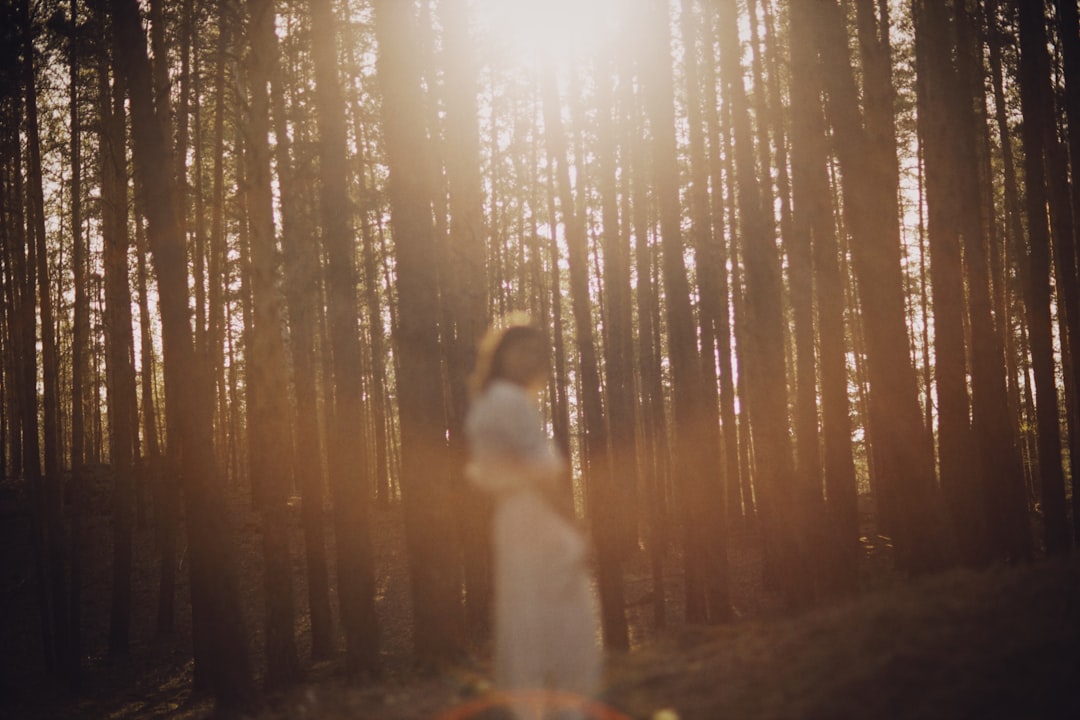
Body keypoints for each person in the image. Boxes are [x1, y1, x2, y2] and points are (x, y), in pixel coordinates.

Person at [465, 318, 601, 716]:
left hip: (511, 518)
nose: (528, 360)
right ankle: (564, 710)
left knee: (526, 615)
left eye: (534, 353)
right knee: (565, 617)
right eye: (519, 351)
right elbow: (540, 474)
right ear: (500, 355)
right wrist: (574, 525)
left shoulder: (488, 401)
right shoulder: (510, 401)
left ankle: (534, 709)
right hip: (535, 516)